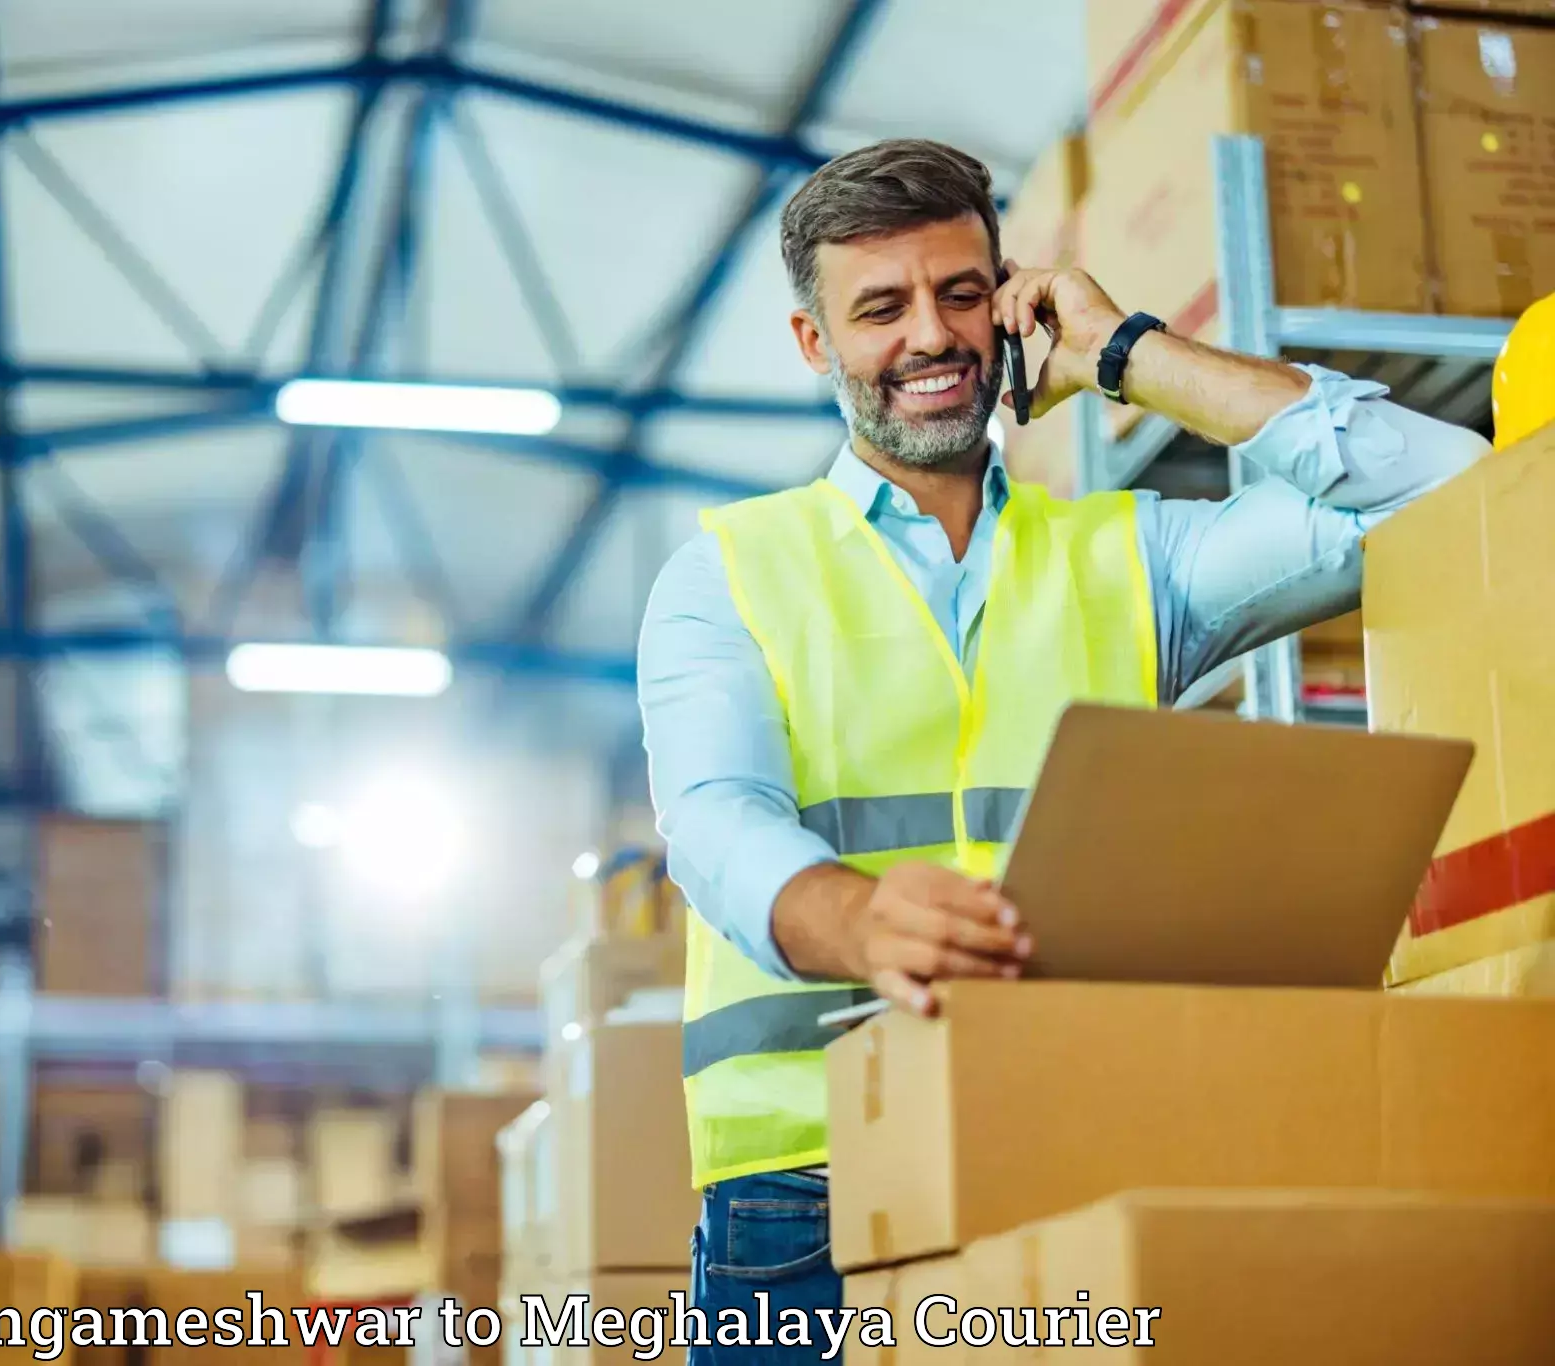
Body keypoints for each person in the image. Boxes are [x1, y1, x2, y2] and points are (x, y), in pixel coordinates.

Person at [635, 138, 1491, 1362]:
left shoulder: (1127, 557)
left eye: (960, 292)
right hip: (808, 1184)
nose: (930, 336)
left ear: (1008, 297)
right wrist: (860, 919)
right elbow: (715, 820)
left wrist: (1129, 355)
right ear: (815, 346)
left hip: (1079, 1132)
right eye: (879, 308)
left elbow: (1444, 488)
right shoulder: (725, 570)